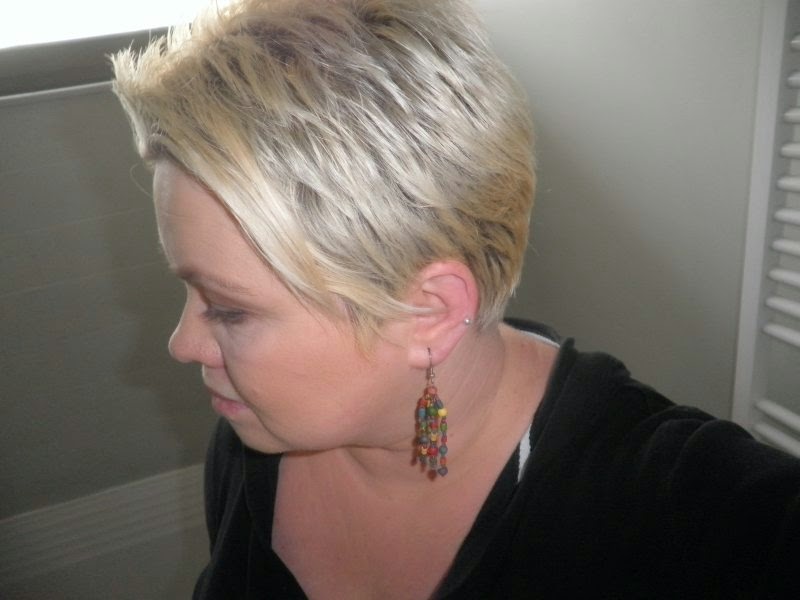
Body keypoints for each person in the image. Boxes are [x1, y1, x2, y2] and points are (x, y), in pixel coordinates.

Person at [111, 0, 800, 597]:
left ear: (430, 313)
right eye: (189, 290)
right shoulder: (252, 439)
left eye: (229, 309)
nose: (183, 344)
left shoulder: (692, 517)